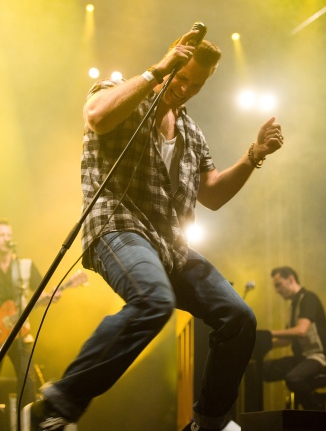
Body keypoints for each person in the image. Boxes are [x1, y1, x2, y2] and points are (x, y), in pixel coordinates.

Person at [22, 27, 283, 431]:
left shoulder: (191, 132)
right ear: (172, 61)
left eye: (195, 86)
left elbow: (210, 195)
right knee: (153, 300)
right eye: (180, 77)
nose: (184, 89)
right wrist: (155, 72)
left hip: (170, 245)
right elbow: (97, 117)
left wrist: (253, 156)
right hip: (117, 226)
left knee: (239, 318)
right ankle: (58, 403)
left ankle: (209, 422)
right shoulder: (121, 90)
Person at [0, 219, 58, 408]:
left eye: (8, 235)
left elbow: (40, 292)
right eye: (1, 235)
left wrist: (50, 296)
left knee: (27, 381)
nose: (6, 239)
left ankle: (27, 423)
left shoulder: (24, 266)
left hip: (20, 332)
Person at [263, 267, 326, 410]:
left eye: (278, 284)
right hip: (302, 359)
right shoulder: (292, 307)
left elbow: (301, 331)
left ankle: (319, 417)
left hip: (319, 358)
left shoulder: (309, 298)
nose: (276, 290)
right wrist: (262, 343)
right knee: (262, 369)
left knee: (293, 378)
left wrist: (269, 333)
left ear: (290, 279)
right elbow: (287, 340)